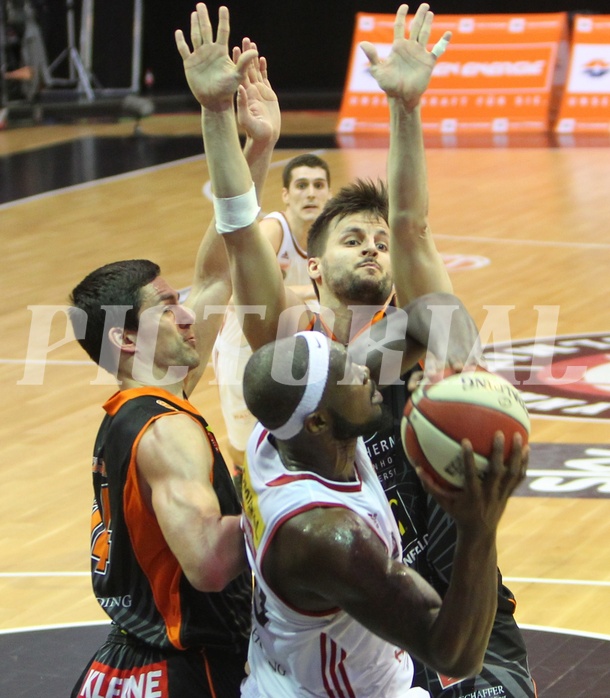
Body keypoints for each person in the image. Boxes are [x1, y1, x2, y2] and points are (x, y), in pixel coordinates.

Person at [217, 3, 537, 696]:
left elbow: (416, 230)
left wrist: (405, 107)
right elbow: (242, 241)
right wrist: (238, 135)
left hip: (452, 593)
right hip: (356, 618)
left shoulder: (420, 341)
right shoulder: (298, 357)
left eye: (380, 240)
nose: (374, 246)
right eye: (352, 238)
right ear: (309, 264)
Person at [68, 21, 281, 698]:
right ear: (127, 338)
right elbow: (211, 565)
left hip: (126, 662)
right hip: (187, 671)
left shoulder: (148, 403)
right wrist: (273, 494)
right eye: (168, 306)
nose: (189, 309)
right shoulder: (167, 434)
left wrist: (255, 144)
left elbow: (220, 272)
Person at [239, 330, 528, 697]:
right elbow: (455, 655)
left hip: (294, 672)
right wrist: (479, 527)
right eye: (349, 371)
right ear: (318, 423)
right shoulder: (325, 535)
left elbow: (426, 315)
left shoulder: (281, 431)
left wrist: (456, 367)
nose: (364, 371)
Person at [213, 152, 332, 479]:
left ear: (329, 194)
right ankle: (244, 495)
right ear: (286, 195)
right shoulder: (274, 229)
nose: (310, 193)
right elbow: (242, 294)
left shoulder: (328, 239)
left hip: (286, 347)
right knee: (244, 446)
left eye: (318, 185)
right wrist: (314, 294)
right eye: (301, 185)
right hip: (242, 350)